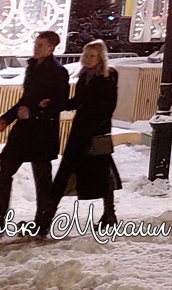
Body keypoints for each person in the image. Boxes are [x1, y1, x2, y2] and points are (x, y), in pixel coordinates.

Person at [0, 29, 68, 233]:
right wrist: (6, 119)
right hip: (24, 131)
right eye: (36, 44)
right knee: (3, 171)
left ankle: (42, 222)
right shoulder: (32, 67)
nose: (36, 48)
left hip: (43, 132)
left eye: (41, 45)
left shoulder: (58, 72)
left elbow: (60, 103)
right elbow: (25, 100)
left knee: (42, 178)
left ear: (52, 48)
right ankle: (0, 220)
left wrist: (34, 112)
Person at [48, 40, 121, 233]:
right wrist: (57, 104)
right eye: (86, 55)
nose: (88, 59)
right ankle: (46, 217)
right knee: (67, 171)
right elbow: (78, 102)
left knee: (102, 173)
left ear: (100, 58)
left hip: (96, 132)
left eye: (92, 56)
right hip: (81, 130)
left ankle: (109, 213)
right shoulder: (84, 75)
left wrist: (94, 122)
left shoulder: (108, 76)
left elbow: (107, 105)